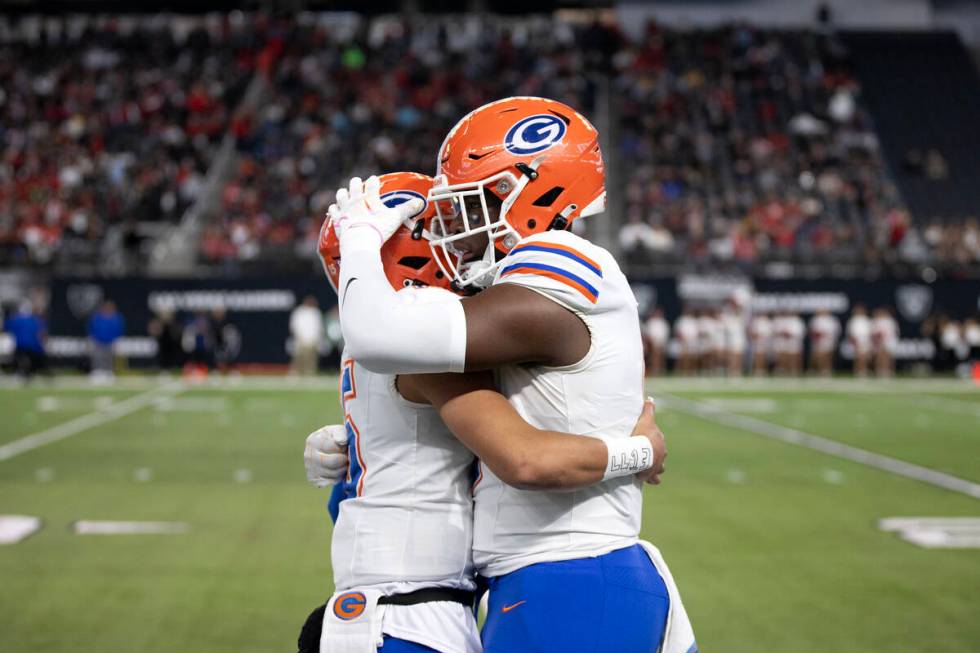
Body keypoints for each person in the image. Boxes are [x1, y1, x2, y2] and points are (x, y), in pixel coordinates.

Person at [327, 97, 695, 653]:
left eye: (473, 204)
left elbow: (522, 456)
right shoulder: (519, 283)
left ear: (533, 191)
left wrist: (638, 452)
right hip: (567, 577)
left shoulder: (557, 261)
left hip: (566, 577)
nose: (458, 228)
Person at [4, 300, 49, 380]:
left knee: (18, 357)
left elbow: (6, 327)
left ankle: (19, 371)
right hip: (34, 347)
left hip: (21, 347)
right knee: (36, 360)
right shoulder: (35, 320)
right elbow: (42, 334)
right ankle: (33, 372)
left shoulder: (15, 319)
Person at [87, 300, 124, 380]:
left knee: (109, 357)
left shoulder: (116, 317)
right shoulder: (97, 317)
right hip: (98, 341)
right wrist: (92, 338)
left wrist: (117, 339)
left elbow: (119, 329)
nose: (108, 308)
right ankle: (97, 372)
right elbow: (92, 328)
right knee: (98, 357)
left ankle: (109, 372)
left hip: (111, 341)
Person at [289, 296, 323, 376]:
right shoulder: (299, 312)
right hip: (301, 340)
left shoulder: (316, 312)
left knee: (311, 359)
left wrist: (317, 339)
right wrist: (300, 337)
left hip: (313, 340)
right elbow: (295, 325)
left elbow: (319, 327)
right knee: (299, 358)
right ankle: (295, 374)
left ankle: (310, 374)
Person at [809, 309, 841, 376]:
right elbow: (812, 331)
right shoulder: (815, 319)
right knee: (818, 356)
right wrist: (817, 335)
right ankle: (819, 370)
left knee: (827, 356)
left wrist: (827, 335)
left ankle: (827, 370)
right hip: (818, 341)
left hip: (829, 340)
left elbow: (836, 331)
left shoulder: (832, 320)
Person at [871, 307, 899, 377]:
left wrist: (885, 339)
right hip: (878, 342)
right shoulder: (875, 321)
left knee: (888, 356)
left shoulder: (890, 321)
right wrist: (878, 338)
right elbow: (874, 332)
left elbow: (894, 332)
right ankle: (879, 371)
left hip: (890, 341)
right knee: (879, 356)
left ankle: (888, 371)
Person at [846, 304, 872, 377]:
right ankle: (858, 371)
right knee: (858, 357)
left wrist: (868, 342)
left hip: (866, 341)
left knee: (864, 357)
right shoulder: (852, 320)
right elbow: (850, 332)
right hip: (856, 341)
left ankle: (863, 370)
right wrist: (854, 341)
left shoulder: (867, 320)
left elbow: (870, 332)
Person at [644, 307, 669, 376]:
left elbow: (665, 335)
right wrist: (653, 342)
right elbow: (647, 335)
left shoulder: (664, 323)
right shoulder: (650, 322)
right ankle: (655, 369)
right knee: (655, 351)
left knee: (658, 351)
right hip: (651, 344)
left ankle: (660, 369)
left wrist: (660, 343)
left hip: (661, 343)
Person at [674, 307, 699, 375]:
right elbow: (678, 333)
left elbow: (696, 333)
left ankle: (691, 371)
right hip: (682, 343)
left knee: (693, 354)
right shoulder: (681, 320)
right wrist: (684, 341)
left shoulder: (694, 321)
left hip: (692, 342)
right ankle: (682, 371)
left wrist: (691, 341)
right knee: (684, 354)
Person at [749, 310, 772, 375]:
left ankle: (762, 370)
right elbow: (751, 331)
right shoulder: (755, 321)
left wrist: (762, 336)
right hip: (756, 342)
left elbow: (769, 333)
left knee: (763, 356)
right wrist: (755, 335)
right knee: (757, 356)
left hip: (765, 342)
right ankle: (756, 370)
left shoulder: (767, 321)